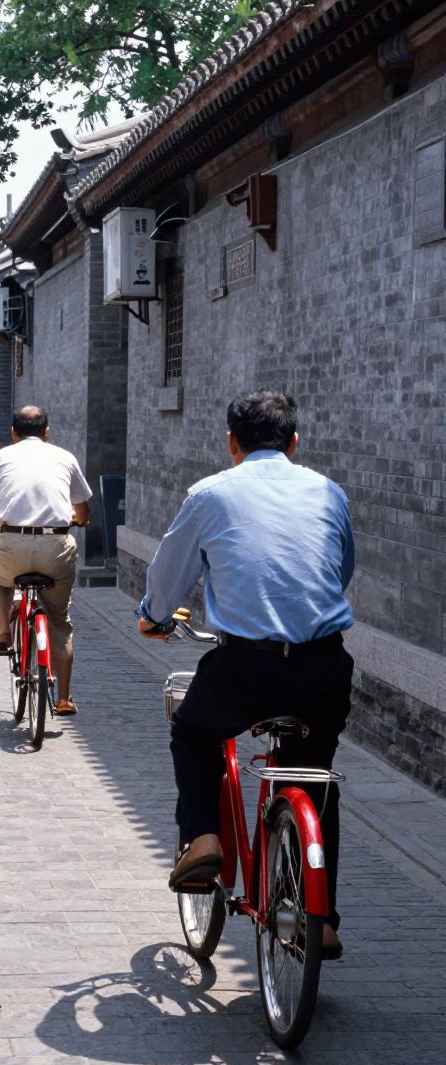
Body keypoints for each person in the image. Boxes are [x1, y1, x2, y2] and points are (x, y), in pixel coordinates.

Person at [138, 391, 355, 961]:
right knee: (312, 778)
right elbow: (341, 567)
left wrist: (154, 617)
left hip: (245, 668)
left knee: (193, 729)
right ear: (295, 442)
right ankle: (323, 920)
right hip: (323, 668)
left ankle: (204, 838)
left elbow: (170, 571)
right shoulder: (328, 492)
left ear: (231, 444)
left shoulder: (211, 494)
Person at [0, 405, 91, 716]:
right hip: (57, 547)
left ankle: (2, 631)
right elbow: (83, 509)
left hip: (12, 545)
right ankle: (64, 698)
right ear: (47, 432)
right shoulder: (65, 457)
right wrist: (78, 520)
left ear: (13, 433)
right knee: (59, 621)